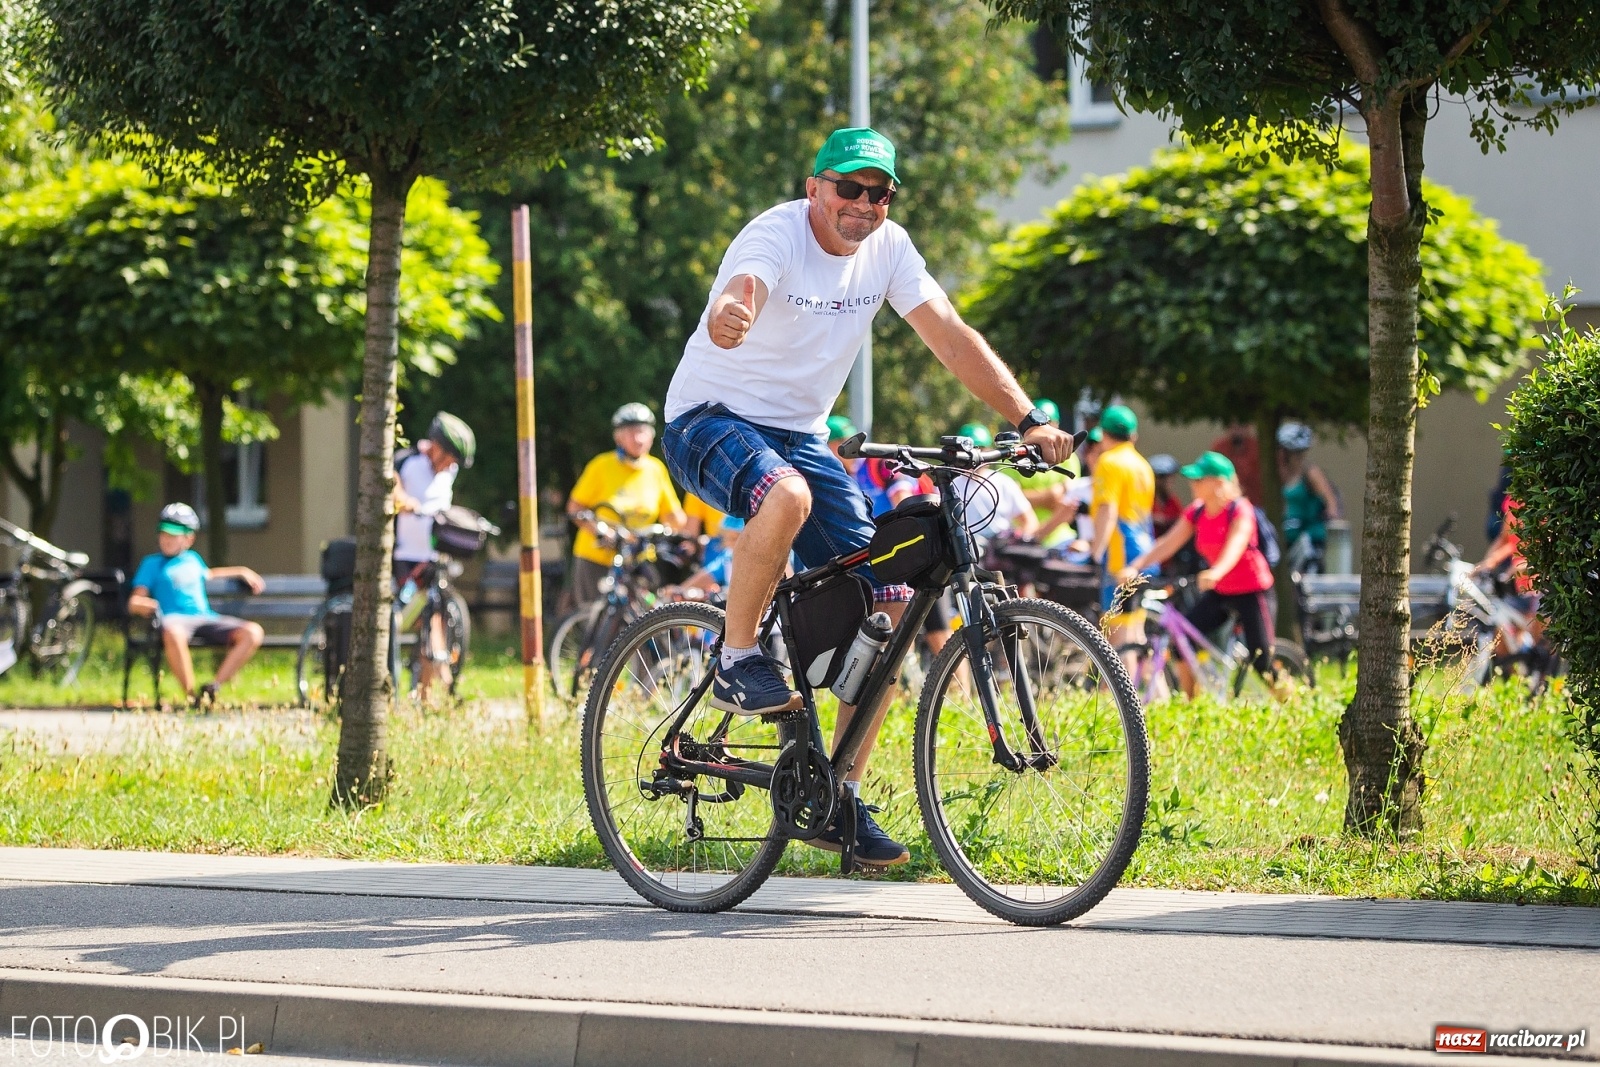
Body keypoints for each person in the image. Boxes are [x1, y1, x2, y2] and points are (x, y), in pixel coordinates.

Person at [660, 126, 1075, 866]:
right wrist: (732, 311)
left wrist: (1028, 417)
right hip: (709, 418)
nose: (862, 203)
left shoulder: (890, 248)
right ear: (814, 185)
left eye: (877, 192)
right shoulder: (777, 231)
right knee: (785, 498)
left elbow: (949, 333)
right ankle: (737, 651)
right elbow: (745, 285)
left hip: (801, 434)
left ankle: (837, 794)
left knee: (887, 596)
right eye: (847, 187)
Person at [1120, 451, 1278, 696]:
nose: (1192, 484)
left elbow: (1236, 543)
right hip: (1220, 590)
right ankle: (1191, 704)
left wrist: (1217, 571)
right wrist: (1136, 566)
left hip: (1252, 590)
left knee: (1262, 660)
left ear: (1218, 483)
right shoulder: (1197, 512)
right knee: (1183, 642)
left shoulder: (1240, 510)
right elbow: (1167, 543)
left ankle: (1292, 703)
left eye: (1198, 480)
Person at [127, 503, 265, 707]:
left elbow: (211, 574)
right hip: (175, 621)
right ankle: (193, 697)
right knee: (172, 633)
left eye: (173, 535)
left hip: (206, 618)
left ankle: (213, 687)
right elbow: (134, 602)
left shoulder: (193, 559)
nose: (166, 538)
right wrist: (146, 605)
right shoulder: (151, 564)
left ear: (189, 538)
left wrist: (241, 570)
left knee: (253, 632)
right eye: (163, 533)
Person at [566, 403, 688, 607]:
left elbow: (674, 516)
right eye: (631, 432)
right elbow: (575, 508)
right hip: (597, 558)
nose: (638, 438)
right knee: (597, 621)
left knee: (642, 619)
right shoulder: (601, 466)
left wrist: (676, 534)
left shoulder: (655, 469)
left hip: (637, 559)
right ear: (618, 437)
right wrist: (599, 531)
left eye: (643, 432)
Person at [393, 412, 476, 699]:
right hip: (405, 554)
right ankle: (438, 680)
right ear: (436, 447)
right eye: (451, 457)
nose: (452, 466)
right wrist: (405, 502)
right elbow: (392, 489)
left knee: (435, 616)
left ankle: (427, 696)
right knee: (416, 618)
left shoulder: (449, 472)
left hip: (434, 554)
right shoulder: (407, 460)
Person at [1090, 405, 1156, 651]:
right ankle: (1154, 688)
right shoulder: (1143, 465)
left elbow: (1108, 510)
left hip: (1119, 557)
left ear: (1105, 434)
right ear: (1133, 435)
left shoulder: (1109, 462)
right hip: (1142, 552)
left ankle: (1124, 689)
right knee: (1135, 630)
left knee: (1118, 636)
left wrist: (1095, 552)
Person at [1001, 398, 1075, 548]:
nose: (1045, 430)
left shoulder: (1068, 457)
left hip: (1059, 537)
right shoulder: (1014, 454)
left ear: (1057, 425)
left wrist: (1027, 497)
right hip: (1020, 538)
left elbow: (1070, 505)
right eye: (1040, 425)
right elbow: (1008, 500)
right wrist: (1048, 497)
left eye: (1049, 424)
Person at [1276, 422, 1342, 562]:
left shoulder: (1311, 474)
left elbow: (1331, 505)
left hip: (1310, 541)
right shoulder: (1281, 475)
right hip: (1287, 540)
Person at [1210, 424, 1263, 503]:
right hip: (1226, 502)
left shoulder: (1257, 448)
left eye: (1240, 425)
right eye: (1232, 425)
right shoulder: (1219, 448)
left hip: (1255, 501)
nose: (1236, 430)